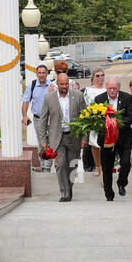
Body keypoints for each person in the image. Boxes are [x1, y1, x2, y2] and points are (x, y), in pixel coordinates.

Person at [39, 71, 86, 202]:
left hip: (73, 136)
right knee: (60, 165)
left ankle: (69, 187)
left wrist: (85, 138)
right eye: (61, 84)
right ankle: (64, 193)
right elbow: (43, 120)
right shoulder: (49, 98)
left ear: (69, 84)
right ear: (57, 84)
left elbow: (85, 119)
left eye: (66, 84)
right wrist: (43, 140)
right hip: (57, 138)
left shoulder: (78, 96)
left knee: (72, 165)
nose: (64, 86)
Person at [97, 76, 132, 201]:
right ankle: (109, 194)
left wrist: (116, 123)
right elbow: (95, 119)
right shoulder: (99, 99)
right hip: (106, 139)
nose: (112, 91)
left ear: (119, 87)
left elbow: (131, 117)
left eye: (114, 88)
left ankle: (122, 182)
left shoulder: (126, 98)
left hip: (123, 137)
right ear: (106, 88)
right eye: (110, 88)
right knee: (107, 167)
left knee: (125, 163)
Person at [21, 64, 52, 166]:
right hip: (38, 119)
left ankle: (48, 162)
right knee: (41, 140)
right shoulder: (32, 85)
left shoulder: (52, 86)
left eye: (43, 73)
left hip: (51, 119)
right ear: (36, 74)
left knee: (51, 140)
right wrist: (25, 115)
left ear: (47, 74)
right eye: (39, 73)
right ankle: (44, 164)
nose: (41, 75)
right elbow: (25, 101)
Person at [83, 69, 107, 175]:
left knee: (106, 145)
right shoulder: (88, 90)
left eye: (102, 75)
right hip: (93, 120)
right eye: (97, 76)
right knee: (95, 144)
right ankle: (97, 166)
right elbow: (86, 105)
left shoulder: (107, 89)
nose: (100, 78)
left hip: (106, 120)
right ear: (93, 78)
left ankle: (105, 166)